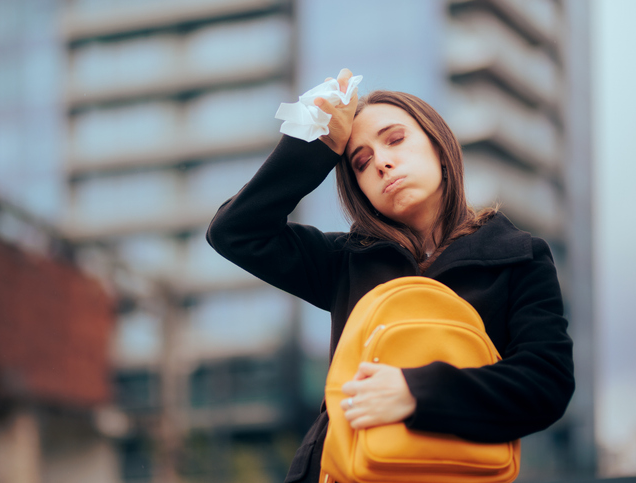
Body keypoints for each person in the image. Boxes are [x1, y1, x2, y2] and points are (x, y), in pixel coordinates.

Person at [206, 68, 574, 482]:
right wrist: (320, 146)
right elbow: (234, 232)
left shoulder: (518, 258)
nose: (381, 162)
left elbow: (546, 383)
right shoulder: (345, 261)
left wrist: (416, 392)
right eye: (360, 162)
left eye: (395, 139)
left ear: (438, 145)